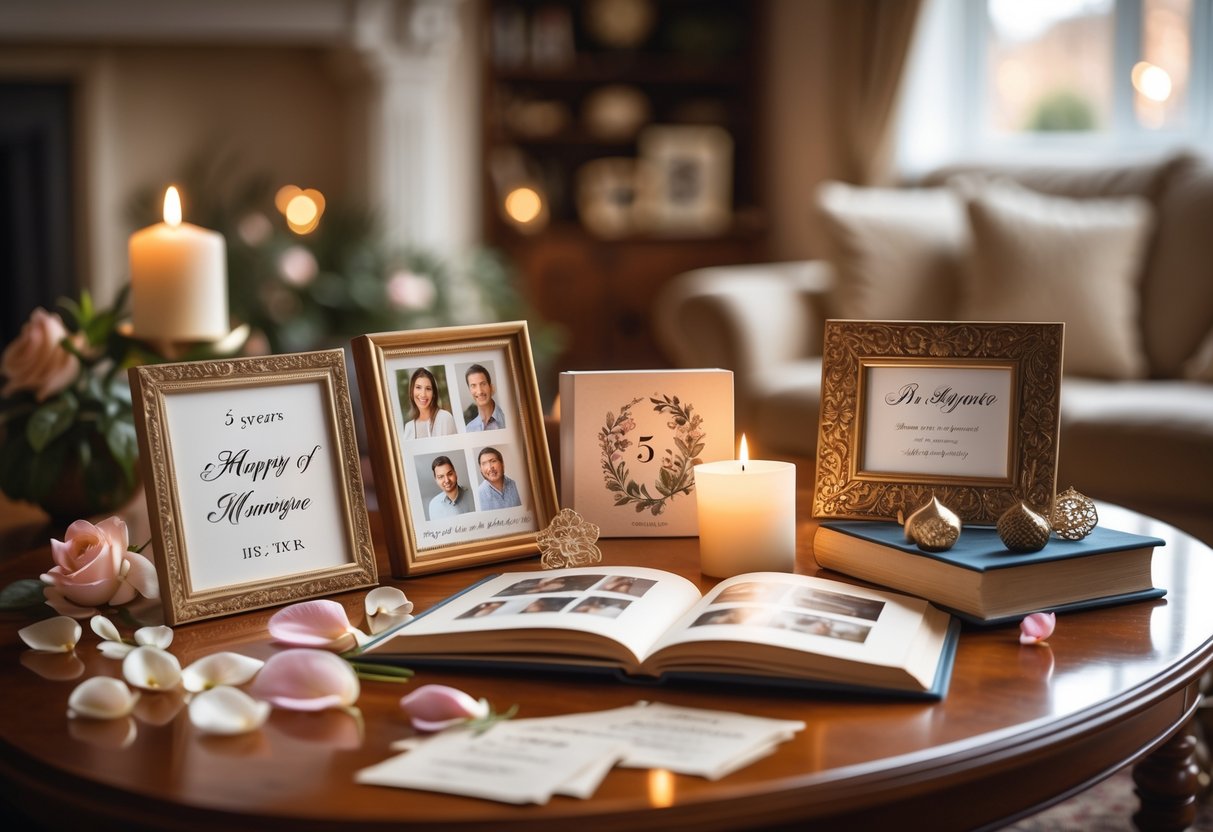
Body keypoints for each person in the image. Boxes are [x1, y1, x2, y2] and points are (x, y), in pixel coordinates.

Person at [402, 367, 457, 439]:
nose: (423, 394)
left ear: (433, 394)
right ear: (412, 391)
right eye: (418, 387)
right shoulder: (408, 428)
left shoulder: (445, 418)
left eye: (428, 389)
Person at [427, 455, 473, 519]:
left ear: (455, 473)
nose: (447, 480)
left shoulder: (472, 495)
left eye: (450, 474)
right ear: (436, 480)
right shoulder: (434, 505)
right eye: (441, 477)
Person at [463, 363, 505, 431]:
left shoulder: (508, 418)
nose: (479, 391)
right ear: (469, 391)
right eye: (473, 386)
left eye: (483, 384)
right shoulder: (469, 429)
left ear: (491, 387)